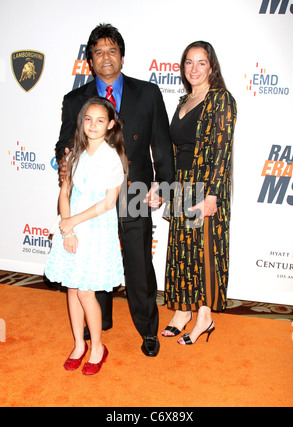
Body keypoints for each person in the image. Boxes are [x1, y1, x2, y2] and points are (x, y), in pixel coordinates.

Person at [55, 23, 174, 357]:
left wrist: (162, 186)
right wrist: (64, 160)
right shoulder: (74, 99)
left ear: (121, 55)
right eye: (98, 52)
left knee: (138, 262)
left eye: (111, 50)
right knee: (93, 259)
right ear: (89, 60)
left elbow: (161, 145)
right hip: (91, 194)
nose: (105, 58)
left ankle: (148, 330)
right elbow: (64, 143)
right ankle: (100, 323)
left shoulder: (147, 93)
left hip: (135, 190)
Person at [161, 41, 237, 345]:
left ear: (211, 67)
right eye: (188, 63)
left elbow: (222, 150)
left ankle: (204, 315)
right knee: (182, 251)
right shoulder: (184, 100)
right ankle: (182, 310)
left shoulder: (221, 99)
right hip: (182, 184)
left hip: (206, 186)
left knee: (205, 252)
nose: (194, 69)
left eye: (201, 63)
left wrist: (212, 196)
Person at [45, 97, 127, 375]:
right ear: (81, 122)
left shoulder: (112, 158)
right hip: (72, 224)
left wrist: (72, 223)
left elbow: (106, 204)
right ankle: (79, 344)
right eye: (88, 119)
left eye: (100, 120)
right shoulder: (73, 153)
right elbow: (64, 191)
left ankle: (97, 348)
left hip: (95, 227)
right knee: (71, 285)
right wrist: (67, 226)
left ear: (110, 124)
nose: (93, 125)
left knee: (85, 290)